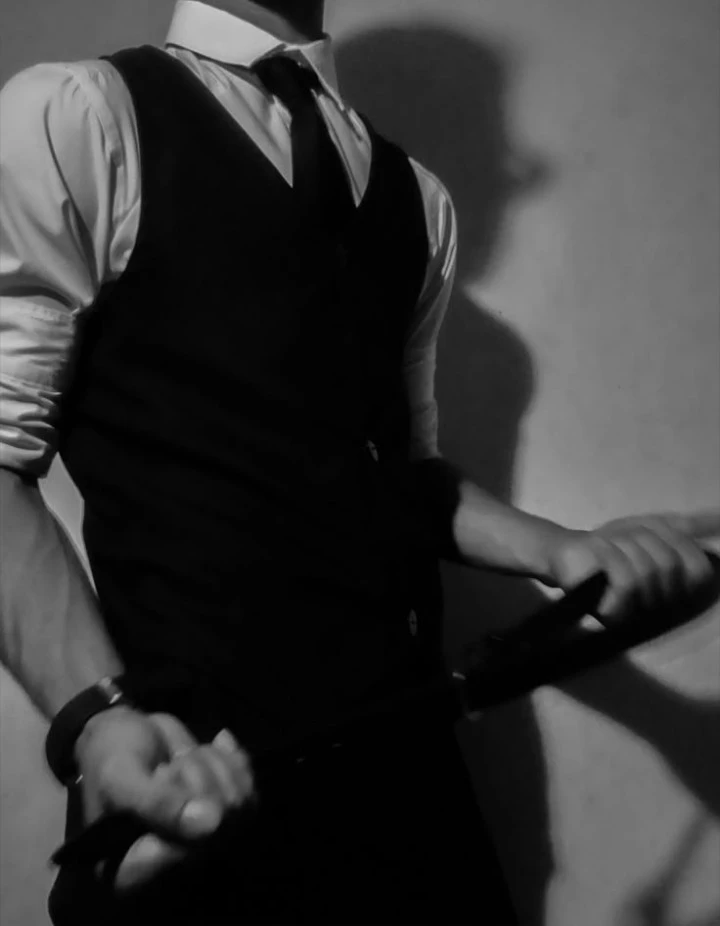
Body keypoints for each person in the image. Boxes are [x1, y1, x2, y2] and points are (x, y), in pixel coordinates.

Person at [0, 1, 718, 923]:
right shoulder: (77, 117)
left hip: (418, 793)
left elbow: (397, 478)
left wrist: (566, 552)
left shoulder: (419, 199)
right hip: (192, 795)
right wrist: (98, 720)